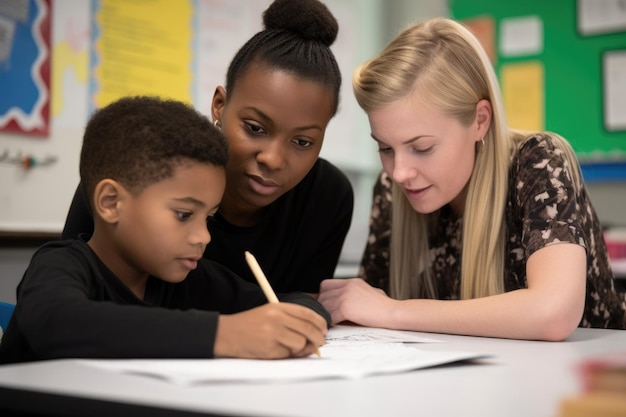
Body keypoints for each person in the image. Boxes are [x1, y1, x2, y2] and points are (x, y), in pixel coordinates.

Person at [318, 18, 626, 341]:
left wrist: (392, 310)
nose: (399, 172)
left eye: (422, 148)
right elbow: (365, 311)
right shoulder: (391, 190)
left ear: (480, 121)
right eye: (385, 148)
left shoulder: (538, 162)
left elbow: (553, 312)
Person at [0, 96, 329, 364]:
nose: (204, 237)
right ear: (111, 202)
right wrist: (226, 334)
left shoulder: (188, 280)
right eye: (184, 214)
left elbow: (287, 301)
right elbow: (55, 322)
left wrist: (304, 318)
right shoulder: (62, 265)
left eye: (209, 218)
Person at [61, 0, 353, 295]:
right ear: (219, 106)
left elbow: (305, 308)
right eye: (255, 128)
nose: (273, 159)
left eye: (302, 142)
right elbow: (66, 291)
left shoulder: (328, 197)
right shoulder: (138, 166)